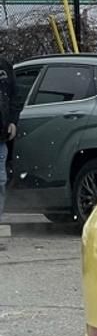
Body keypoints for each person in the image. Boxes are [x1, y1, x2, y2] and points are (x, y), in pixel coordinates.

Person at [0, 56, 21, 229]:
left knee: (0, 179)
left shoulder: (5, 66)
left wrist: (13, 120)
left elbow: (15, 96)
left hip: (1, 135)